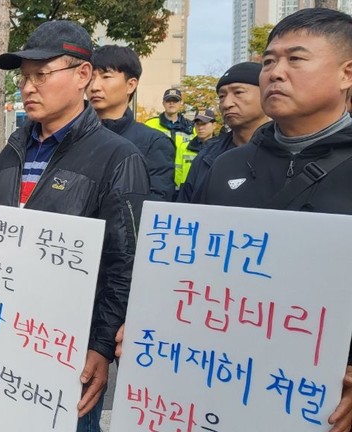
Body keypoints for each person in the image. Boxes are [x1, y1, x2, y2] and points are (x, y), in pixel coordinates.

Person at [127, 10, 352, 432]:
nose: (275, 74)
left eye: (296, 60)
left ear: (347, 73)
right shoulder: (228, 164)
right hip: (222, 383)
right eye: (269, 61)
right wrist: (148, 320)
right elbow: (191, 267)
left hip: (320, 403)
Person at [0, 21, 149, 432]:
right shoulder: (10, 152)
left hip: (69, 349)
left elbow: (124, 264)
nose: (27, 87)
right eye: (24, 78)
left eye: (41, 75)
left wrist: (100, 347)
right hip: (5, 335)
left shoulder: (117, 157)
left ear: (83, 75)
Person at [89, 44, 175, 201]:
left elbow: (154, 205)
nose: (94, 86)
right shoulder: (73, 135)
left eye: (106, 77)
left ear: (131, 85)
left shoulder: (153, 143)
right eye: (91, 77)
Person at [177, 62, 268, 203]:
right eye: (221, 96)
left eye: (238, 92)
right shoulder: (207, 157)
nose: (227, 104)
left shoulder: (291, 152)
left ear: (266, 93)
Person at [145, 88, 197, 192]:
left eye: (175, 100)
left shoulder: (192, 128)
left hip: (184, 185)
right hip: (156, 183)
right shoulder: (150, 125)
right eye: (168, 100)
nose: (171, 103)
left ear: (181, 103)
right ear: (163, 103)